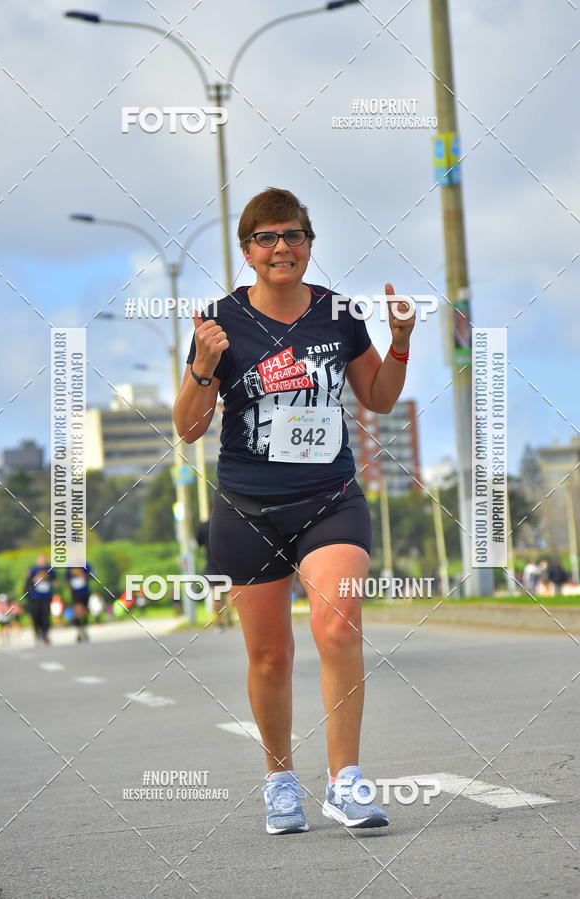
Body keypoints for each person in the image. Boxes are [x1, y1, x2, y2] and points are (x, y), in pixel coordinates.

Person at [174, 188, 415, 835]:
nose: (282, 248)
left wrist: (399, 342)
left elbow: (379, 399)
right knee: (271, 657)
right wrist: (202, 365)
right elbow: (190, 428)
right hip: (248, 507)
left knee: (338, 626)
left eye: (294, 235)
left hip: (329, 499)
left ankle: (346, 781)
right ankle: (281, 781)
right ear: (247, 250)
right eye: (267, 238)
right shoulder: (217, 320)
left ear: (310, 242)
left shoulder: (337, 314)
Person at [196, 518, 233, 632]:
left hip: (212, 563)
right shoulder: (228, 523)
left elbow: (199, 543)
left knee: (215, 594)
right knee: (230, 591)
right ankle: (229, 611)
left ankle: (219, 622)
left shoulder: (204, 526)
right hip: (228, 561)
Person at [24, 554, 57, 645]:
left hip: (46, 597)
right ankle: (38, 634)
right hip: (34, 597)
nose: (42, 561)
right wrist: (30, 578)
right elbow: (27, 582)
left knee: (45, 616)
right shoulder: (33, 569)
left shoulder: (50, 569)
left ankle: (45, 634)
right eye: (41, 560)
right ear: (37, 560)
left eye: (44, 560)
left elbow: (55, 581)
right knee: (35, 616)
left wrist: (49, 581)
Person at [66, 564, 96, 642]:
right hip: (75, 593)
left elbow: (93, 575)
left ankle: (84, 629)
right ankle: (79, 630)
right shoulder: (70, 567)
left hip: (85, 592)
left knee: (84, 611)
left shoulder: (86, 565)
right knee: (77, 610)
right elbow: (67, 578)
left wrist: (84, 575)